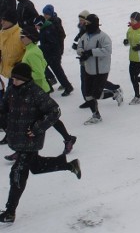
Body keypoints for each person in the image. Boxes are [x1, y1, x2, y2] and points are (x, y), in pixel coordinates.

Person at [0, 63, 81, 224]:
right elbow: (3, 109)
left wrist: (37, 128)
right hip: (17, 139)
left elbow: (54, 111)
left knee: (17, 173)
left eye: (16, 79)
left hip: (30, 140)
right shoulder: (11, 91)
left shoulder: (35, 93)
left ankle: (10, 212)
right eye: (12, 78)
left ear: (25, 79)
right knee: (36, 167)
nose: (13, 81)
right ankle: (69, 165)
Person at [7, 26, 77, 160]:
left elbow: (39, 73)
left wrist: (23, 76)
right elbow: (44, 64)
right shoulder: (32, 50)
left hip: (38, 91)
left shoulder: (32, 52)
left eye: (23, 37)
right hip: (37, 90)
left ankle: (67, 139)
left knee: (43, 120)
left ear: (29, 38)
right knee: (40, 121)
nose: (20, 39)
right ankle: (67, 139)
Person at [76, 14, 113, 124]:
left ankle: (114, 93)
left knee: (96, 94)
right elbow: (79, 46)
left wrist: (91, 52)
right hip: (89, 69)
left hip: (101, 70)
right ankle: (96, 115)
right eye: (85, 23)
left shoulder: (104, 37)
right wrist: (82, 53)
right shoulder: (84, 36)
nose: (85, 25)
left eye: (87, 23)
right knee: (88, 95)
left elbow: (107, 50)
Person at [37, 5, 73, 94]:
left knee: (57, 70)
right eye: (44, 13)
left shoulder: (54, 23)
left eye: (47, 14)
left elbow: (61, 36)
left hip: (55, 51)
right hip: (49, 51)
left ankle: (67, 86)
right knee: (44, 67)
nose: (45, 15)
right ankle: (51, 84)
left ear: (51, 14)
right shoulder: (46, 23)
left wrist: (58, 48)